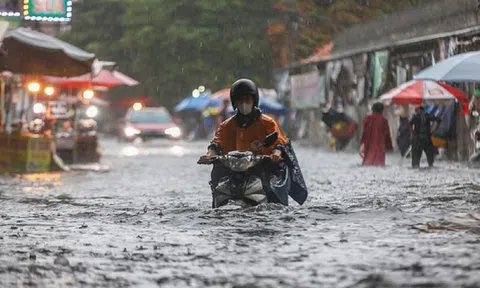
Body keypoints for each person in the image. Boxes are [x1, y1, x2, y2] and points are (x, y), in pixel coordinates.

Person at [199, 78, 308, 206]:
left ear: (254, 100)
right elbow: (216, 144)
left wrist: (276, 154)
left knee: (273, 191)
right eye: (240, 100)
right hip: (233, 169)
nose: (243, 103)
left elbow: (279, 141)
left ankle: (276, 208)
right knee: (218, 181)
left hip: (263, 168)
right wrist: (209, 155)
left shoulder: (268, 123)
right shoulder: (226, 126)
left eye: (247, 99)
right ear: (234, 102)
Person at [360, 102, 393, 166]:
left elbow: (364, 131)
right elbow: (387, 133)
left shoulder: (368, 118)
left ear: (373, 108)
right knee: (379, 162)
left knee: (368, 161)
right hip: (380, 143)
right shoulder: (384, 119)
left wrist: (362, 143)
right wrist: (389, 146)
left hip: (369, 142)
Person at [409, 104, 440, 168]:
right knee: (430, 160)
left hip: (417, 139)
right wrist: (434, 130)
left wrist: (412, 133)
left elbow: (410, 124)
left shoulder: (415, 116)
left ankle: (416, 166)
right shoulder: (428, 115)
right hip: (427, 138)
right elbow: (438, 120)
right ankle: (430, 164)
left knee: (415, 160)